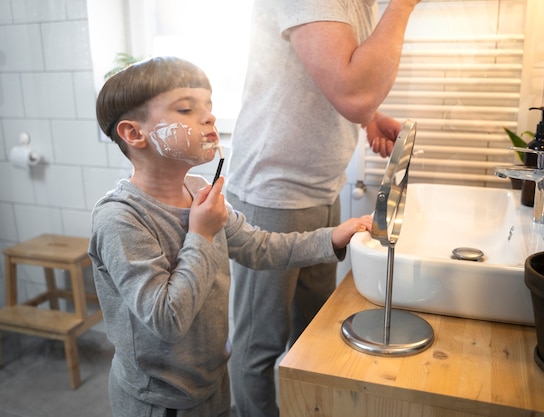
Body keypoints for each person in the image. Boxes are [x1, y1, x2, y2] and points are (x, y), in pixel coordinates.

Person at [89, 56, 372, 417]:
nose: (208, 117)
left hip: (212, 383)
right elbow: (166, 319)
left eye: (208, 106)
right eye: (186, 109)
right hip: (158, 401)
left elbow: (260, 248)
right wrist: (201, 234)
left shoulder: (197, 191)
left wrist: (334, 237)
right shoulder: (120, 218)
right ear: (133, 133)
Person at [226, 1, 422, 416]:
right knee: (260, 346)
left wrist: (369, 118)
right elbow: (354, 91)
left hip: (319, 191)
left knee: (313, 332)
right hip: (274, 195)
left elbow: (327, 74)